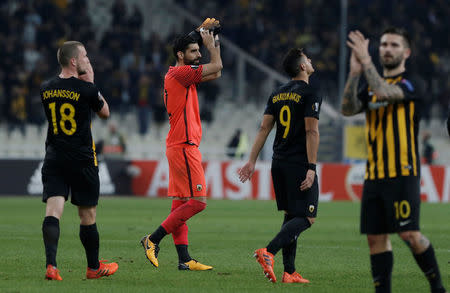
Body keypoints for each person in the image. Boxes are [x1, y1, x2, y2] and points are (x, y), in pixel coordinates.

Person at [341, 27, 447, 293]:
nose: (387, 49)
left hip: (403, 170)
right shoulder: (369, 83)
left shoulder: (414, 83)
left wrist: (365, 63)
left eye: (394, 45)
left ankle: (438, 288)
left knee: (409, 234)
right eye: (384, 44)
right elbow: (348, 108)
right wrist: (354, 75)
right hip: (374, 173)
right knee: (376, 239)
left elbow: (387, 93)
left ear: (406, 52)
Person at [140, 18, 222, 271]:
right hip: (184, 146)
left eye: (199, 51)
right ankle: (152, 239)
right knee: (198, 202)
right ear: (180, 55)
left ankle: (184, 259)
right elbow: (217, 64)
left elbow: (216, 72)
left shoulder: (180, 75)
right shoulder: (181, 73)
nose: (198, 55)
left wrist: (201, 35)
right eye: (193, 51)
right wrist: (211, 44)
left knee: (180, 203)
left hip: (181, 145)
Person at [238, 48, 321, 283]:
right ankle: (268, 252)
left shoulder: (277, 94)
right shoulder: (311, 92)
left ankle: (290, 272)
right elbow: (311, 130)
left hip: (278, 162)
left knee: (290, 215)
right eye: (308, 59)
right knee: (307, 217)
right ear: (302, 67)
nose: (311, 60)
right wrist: (311, 167)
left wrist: (252, 160)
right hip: (298, 163)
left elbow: (264, 128)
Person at [40, 41, 118, 280]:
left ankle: (52, 266)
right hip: (82, 159)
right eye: (84, 56)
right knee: (87, 215)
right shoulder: (87, 89)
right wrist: (92, 82)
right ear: (74, 61)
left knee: (53, 211)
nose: (87, 59)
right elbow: (105, 113)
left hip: (54, 158)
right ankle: (93, 268)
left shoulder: (46, 88)